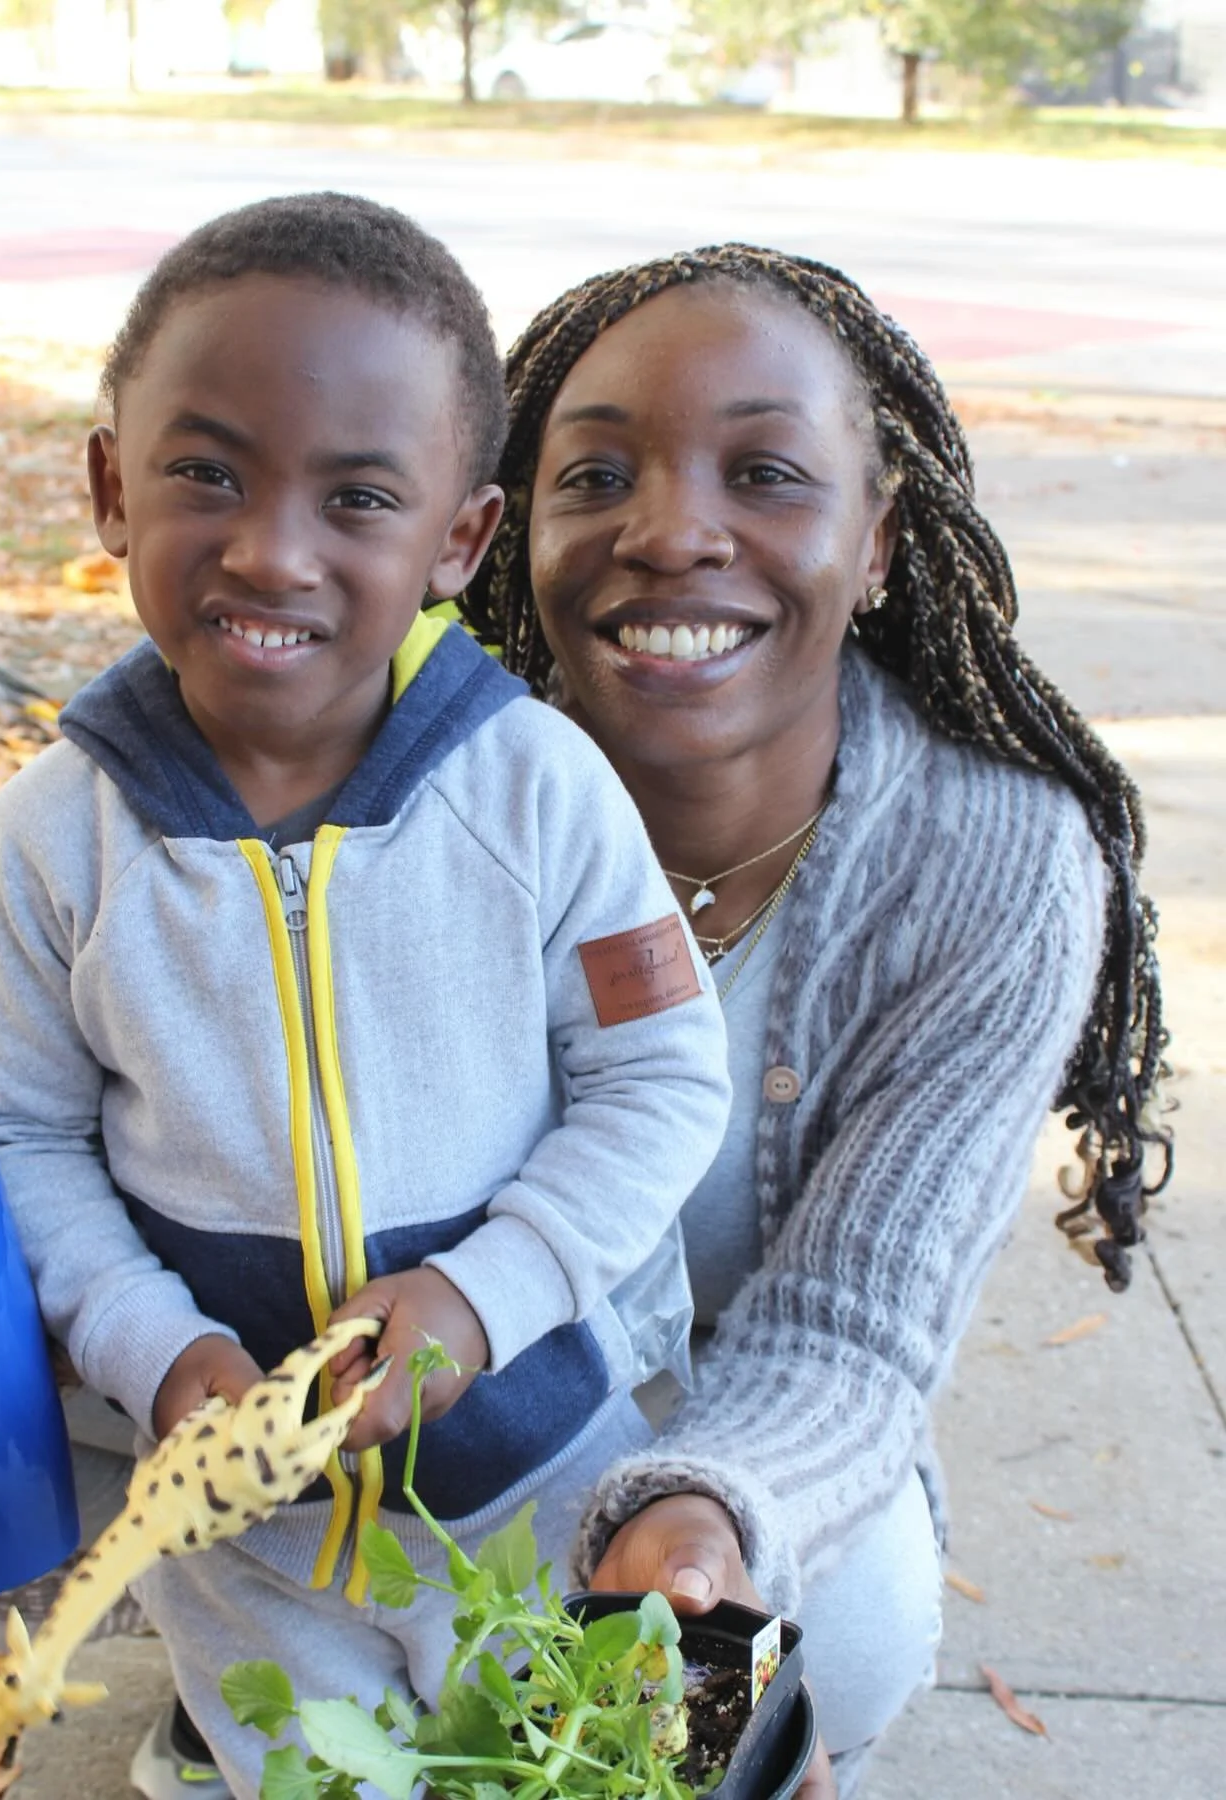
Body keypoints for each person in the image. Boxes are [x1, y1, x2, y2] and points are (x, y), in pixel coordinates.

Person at [0, 195, 733, 1800]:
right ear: (108, 484)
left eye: (358, 497)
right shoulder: (58, 836)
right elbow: (16, 1136)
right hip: (235, 1536)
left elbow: (662, 1082)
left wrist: (479, 1301)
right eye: (207, 473)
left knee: (556, 1767)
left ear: (458, 540)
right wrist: (157, 1348)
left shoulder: (536, 794)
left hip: (531, 1480)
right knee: (311, 1777)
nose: (271, 548)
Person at [455, 243, 1170, 1796]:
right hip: (452, 1379)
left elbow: (853, 1333)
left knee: (830, 1630)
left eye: (767, 471)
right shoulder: (423, 802)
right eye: (594, 475)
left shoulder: (994, 862)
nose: (670, 531)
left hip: (753, 1410)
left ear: (882, 539)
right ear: (516, 532)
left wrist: (705, 1518)